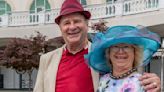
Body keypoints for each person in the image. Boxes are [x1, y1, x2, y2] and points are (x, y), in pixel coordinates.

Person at [33, 0, 161, 92]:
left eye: (77, 21)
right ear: (60, 28)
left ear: (86, 24)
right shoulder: (47, 59)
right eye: (66, 23)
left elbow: (126, 73)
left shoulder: (100, 54)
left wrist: (154, 83)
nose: (72, 27)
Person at [85, 25, 161, 92]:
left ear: (135, 53)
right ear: (109, 53)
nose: (120, 51)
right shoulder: (104, 80)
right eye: (115, 46)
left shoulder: (144, 82)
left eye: (126, 46)